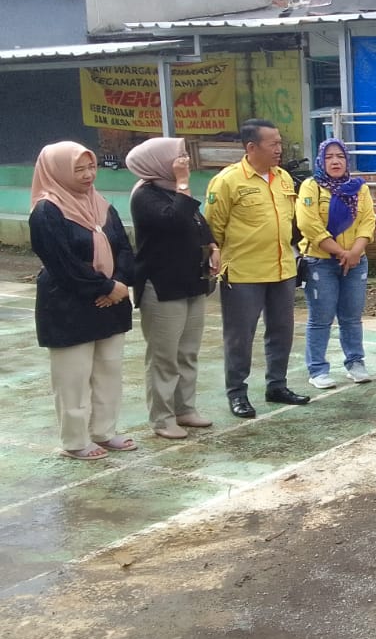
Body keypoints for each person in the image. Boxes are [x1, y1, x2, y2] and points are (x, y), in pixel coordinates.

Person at [30, 142, 136, 459]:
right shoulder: (46, 211)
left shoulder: (101, 204)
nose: (88, 175)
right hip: (69, 305)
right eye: (79, 169)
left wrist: (120, 283)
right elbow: (62, 264)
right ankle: (75, 441)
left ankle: (105, 431)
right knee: (72, 378)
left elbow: (124, 247)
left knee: (108, 371)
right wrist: (104, 287)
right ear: (57, 171)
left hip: (111, 301)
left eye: (91, 167)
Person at [204, 118, 310, 418]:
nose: (279, 149)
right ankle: (237, 393)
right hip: (244, 273)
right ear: (251, 147)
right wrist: (216, 256)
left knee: (282, 331)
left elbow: (291, 222)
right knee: (240, 337)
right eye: (272, 144)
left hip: (282, 269)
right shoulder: (227, 181)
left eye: (280, 143)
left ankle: (277, 385)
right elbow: (213, 228)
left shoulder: (283, 178)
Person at [127, 136, 219, 440]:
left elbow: (197, 222)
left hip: (191, 281)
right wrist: (182, 182)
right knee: (164, 356)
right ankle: (162, 417)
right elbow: (176, 221)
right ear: (159, 161)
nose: (185, 162)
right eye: (179, 156)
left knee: (187, 352)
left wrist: (213, 245)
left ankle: (185, 408)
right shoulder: (145, 196)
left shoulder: (175, 191)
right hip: (162, 285)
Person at [295, 138, 376, 389]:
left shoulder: (359, 188)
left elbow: (368, 221)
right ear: (321, 160)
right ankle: (318, 369)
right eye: (329, 157)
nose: (335, 161)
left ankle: (355, 362)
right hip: (320, 262)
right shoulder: (311, 187)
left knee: (351, 317)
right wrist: (340, 251)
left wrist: (355, 252)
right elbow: (308, 224)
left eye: (340, 156)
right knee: (321, 317)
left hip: (356, 261)